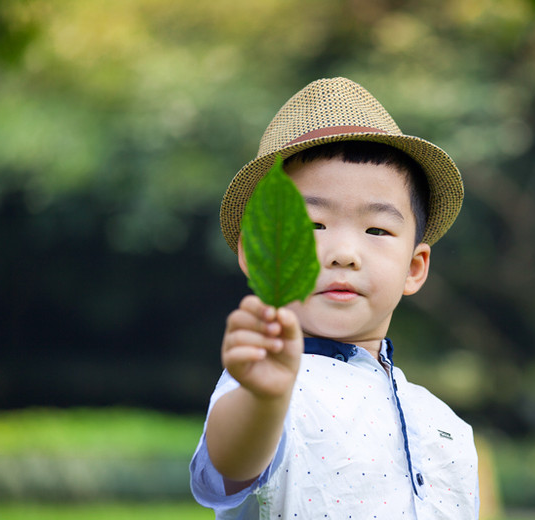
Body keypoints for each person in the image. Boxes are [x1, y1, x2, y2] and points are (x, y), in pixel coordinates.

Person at [190, 77, 479, 519]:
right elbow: (232, 463)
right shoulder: (267, 383)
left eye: (377, 230)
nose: (344, 253)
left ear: (415, 267)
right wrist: (264, 400)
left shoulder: (445, 426)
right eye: (313, 225)